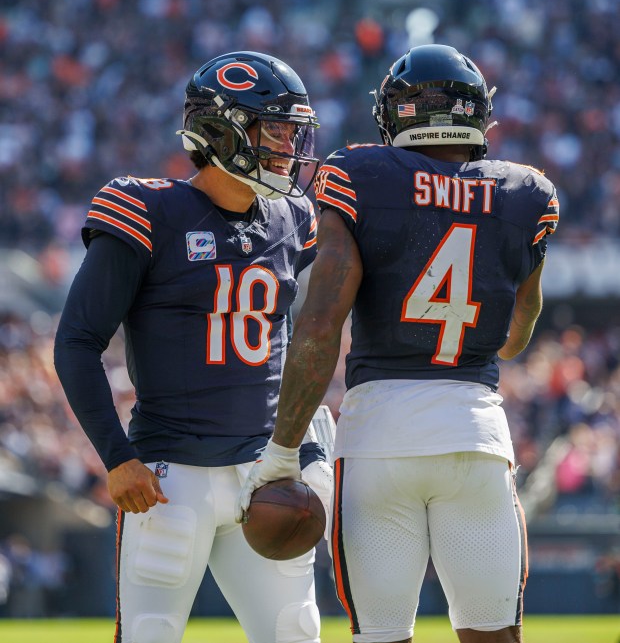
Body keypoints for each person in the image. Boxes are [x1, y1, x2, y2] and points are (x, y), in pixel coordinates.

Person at [236, 44, 560, 643]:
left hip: (378, 435)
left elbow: (322, 323)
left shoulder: (360, 173)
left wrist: (282, 452)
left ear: (397, 114)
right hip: (474, 434)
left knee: (381, 635)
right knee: (494, 635)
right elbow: (515, 339)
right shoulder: (528, 193)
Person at [54, 51, 333, 643]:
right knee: (151, 634)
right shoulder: (149, 209)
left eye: (293, 130)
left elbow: (292, 340)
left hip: (265, 474)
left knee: (295, 633)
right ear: (221, 129)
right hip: (169, 479)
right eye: (275, 129)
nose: (289, 146)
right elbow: (77, 341)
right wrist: (115, 456)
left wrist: (304, 444)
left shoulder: (293, 218)